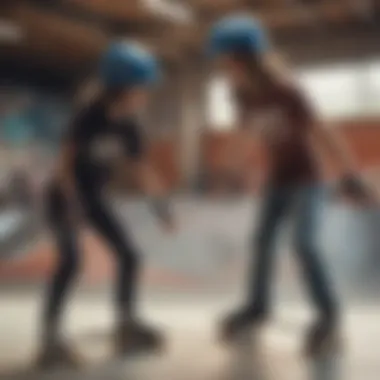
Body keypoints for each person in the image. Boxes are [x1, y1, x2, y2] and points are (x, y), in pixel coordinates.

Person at [206, 15, 376, 355]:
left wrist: (350, 173)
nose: (221, 67)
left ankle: (328, 316)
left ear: (241, 58)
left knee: (303, 243)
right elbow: (244, 136)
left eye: (224, 60)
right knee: (261, 242)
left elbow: (323, 130)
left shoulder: (286, 91)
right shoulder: (240, 94)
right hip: (278, 180)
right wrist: (228, 172)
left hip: (307, 180)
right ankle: (257, 307)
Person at [37, 41, 175, 368]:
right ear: (123, 87)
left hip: (94, 197)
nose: (146, 95)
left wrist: (162, 210)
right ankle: (50, 338)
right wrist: (71, 209)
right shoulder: (88, 116)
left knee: (130, 255)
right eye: (143, 88)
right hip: (64, 195)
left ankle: (126, 323)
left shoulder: (130, 127)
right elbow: (64, 166)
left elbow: (143, 172)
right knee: (70, 261)